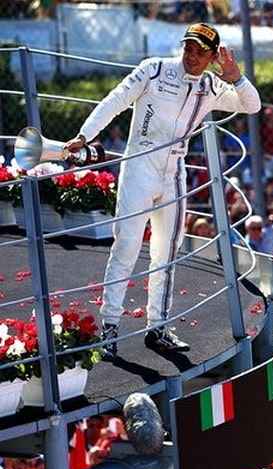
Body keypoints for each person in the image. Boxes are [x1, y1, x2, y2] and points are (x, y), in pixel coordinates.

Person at [64, 22, 261, 358]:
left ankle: (157, 326)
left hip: (174, 172)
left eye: (201, 52)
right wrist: (86, 135)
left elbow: (252, 105)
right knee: (126, 245)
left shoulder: (212, 86)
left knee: (166, 252)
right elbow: (115, 100)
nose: (192, 56)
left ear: (213, 56)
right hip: (140, 166)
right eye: (188, 48)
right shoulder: (154, 69)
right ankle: (109, 326)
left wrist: (237, 77)